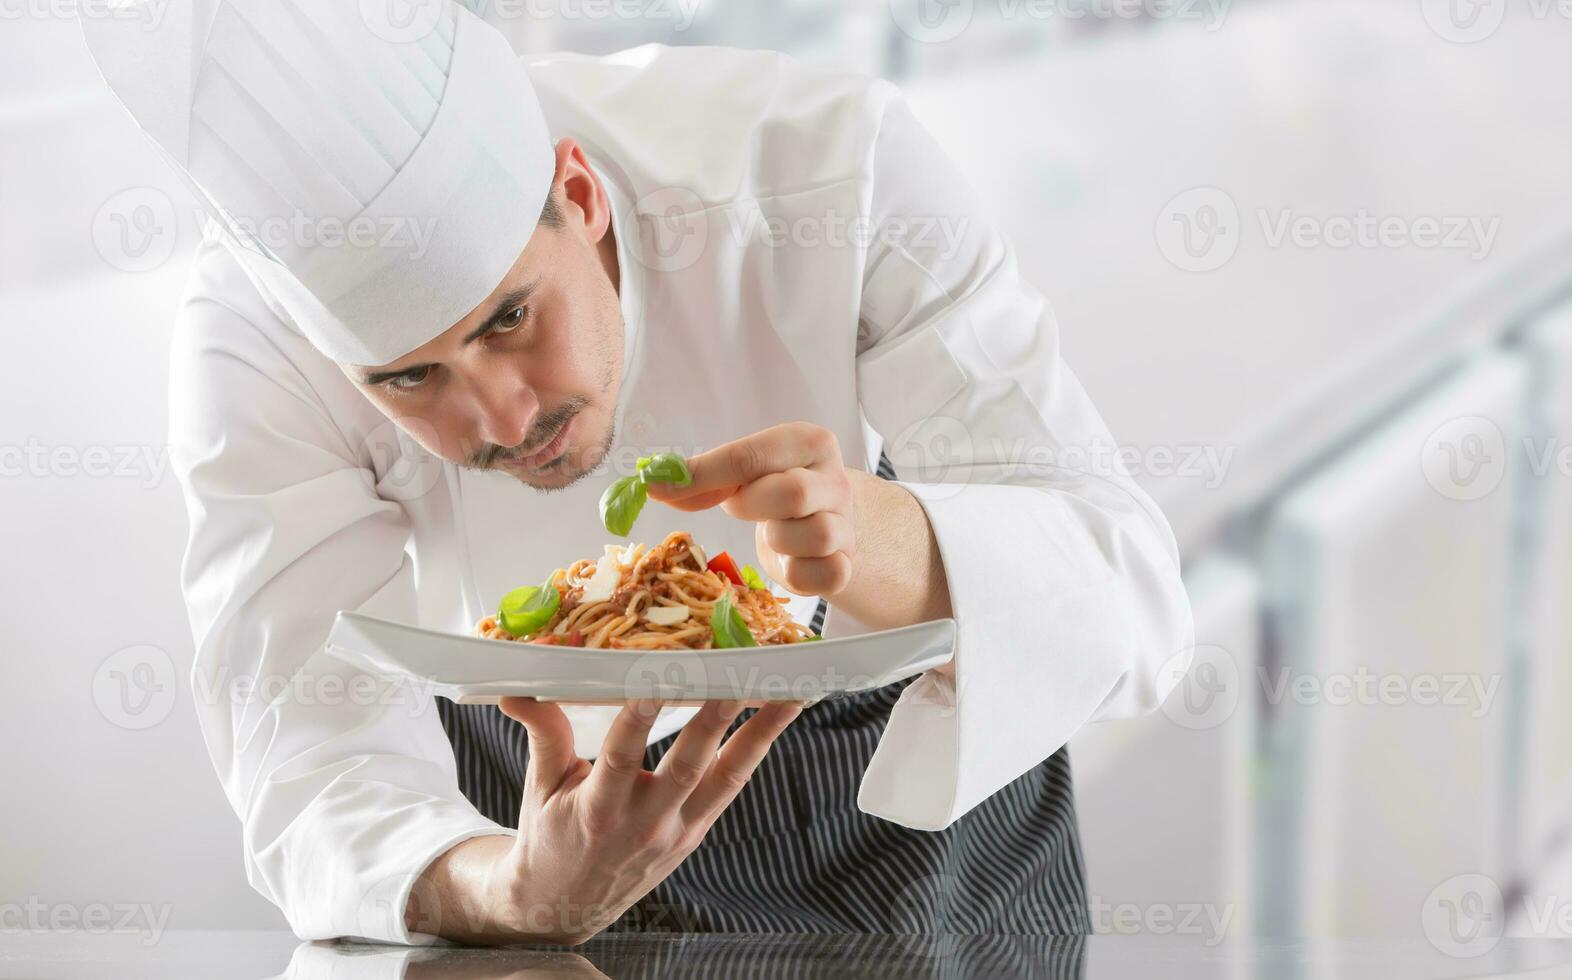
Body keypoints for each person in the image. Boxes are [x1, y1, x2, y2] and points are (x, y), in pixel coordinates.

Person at [81, 0, 1194, 944]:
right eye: (408, 381)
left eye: (512, 317)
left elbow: (1133, 595)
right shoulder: (253, 335)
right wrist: (513, 889)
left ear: (582, 193)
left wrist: (865, 531)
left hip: (926, 856)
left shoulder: (824, 162)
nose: (500, 417)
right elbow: (304, 748)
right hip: (536, 809)